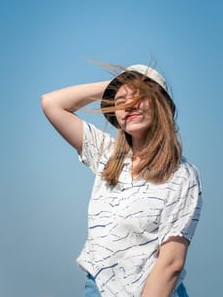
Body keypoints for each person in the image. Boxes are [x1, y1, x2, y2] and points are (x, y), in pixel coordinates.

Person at [41, 64, 202, 297]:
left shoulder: (181, 174)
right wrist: (113, 87)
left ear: (160, 104)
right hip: (98, 289)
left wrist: (125, 88)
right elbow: (51, 103)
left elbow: (171, 264)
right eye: (121, 101)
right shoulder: (107, 155)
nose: (129, 105)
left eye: (140, 96)